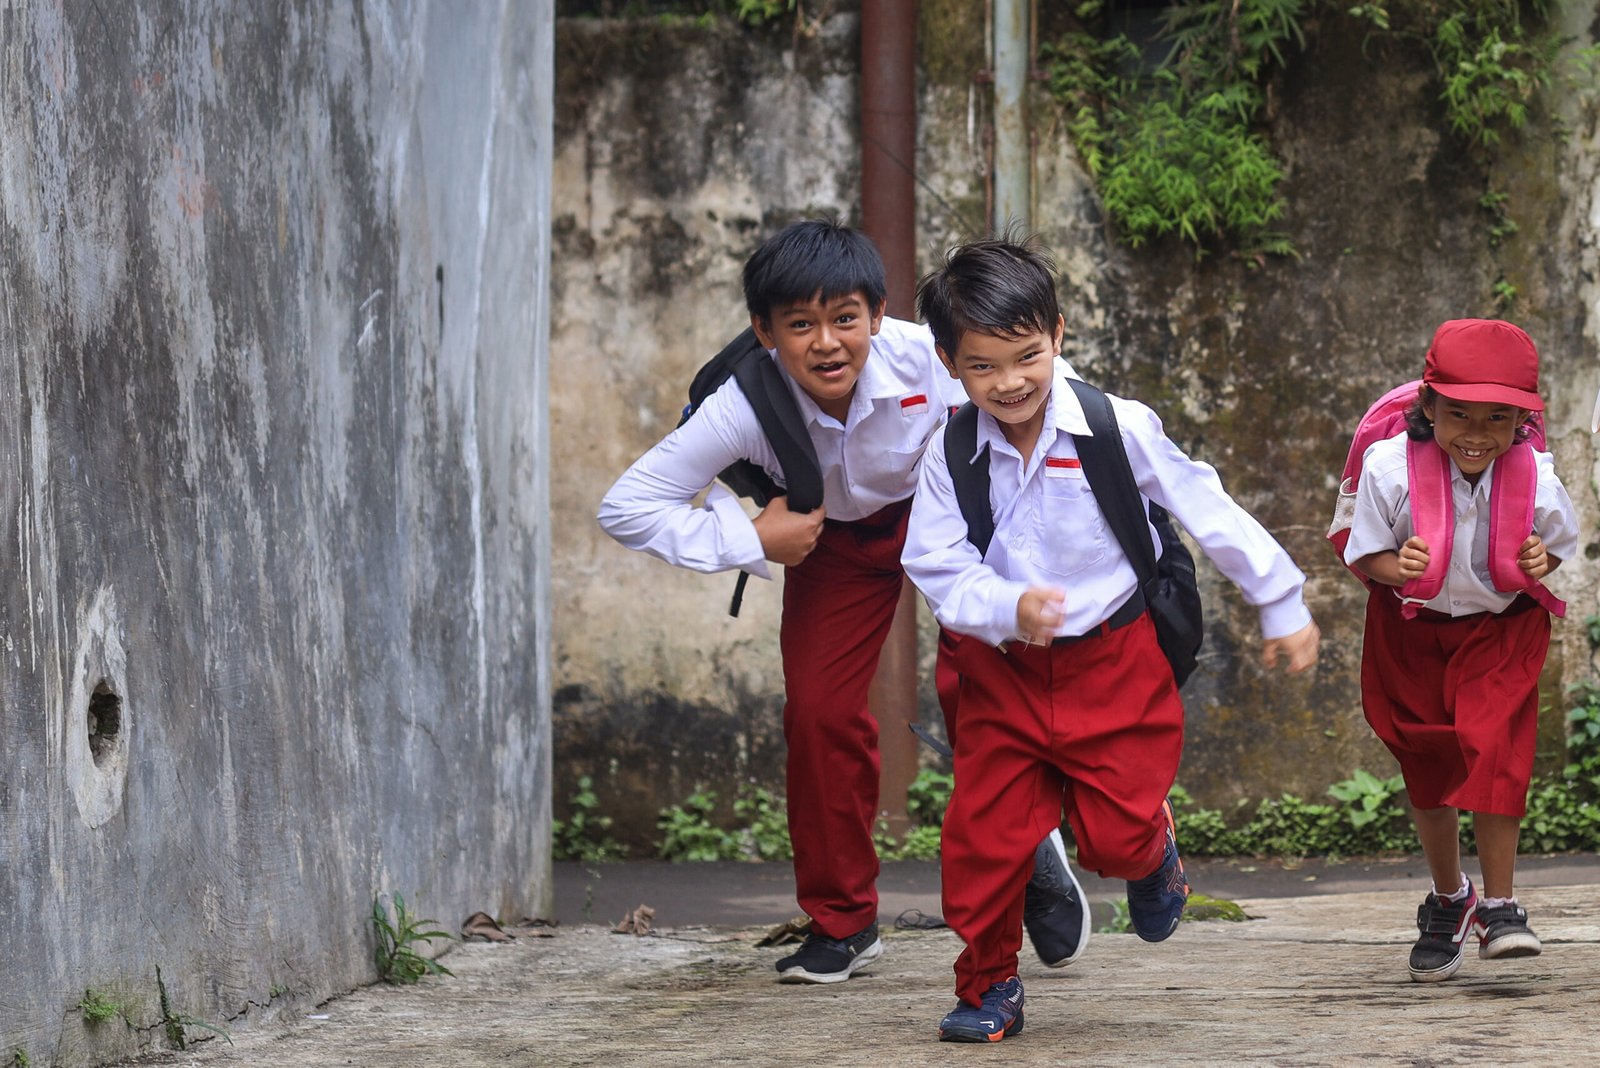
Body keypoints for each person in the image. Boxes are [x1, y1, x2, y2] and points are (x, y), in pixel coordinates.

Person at [598, 219, 1090, 984]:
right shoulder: (741, 405)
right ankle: (843, 922)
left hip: (951, 523)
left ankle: (1027, 846)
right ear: (765, 331)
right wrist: (749, 535)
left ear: (878, 312)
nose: (827, 342)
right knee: (820, 715)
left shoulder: (930, 352)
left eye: (844, 319)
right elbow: (627, 505)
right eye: (800, 324)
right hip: (833, 544)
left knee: (983, 695)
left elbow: (1034, 389)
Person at [902, 235, 1320, 1042]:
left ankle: (1153, 846)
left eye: (1026, 355)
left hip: (1114, 664)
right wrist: (1004, 605)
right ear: (952, 364)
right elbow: (934, 560)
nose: (1010, 381)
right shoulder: (949, 451)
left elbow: (1207, 507)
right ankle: (988, 984)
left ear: (1058, 333)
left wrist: (1281, 601)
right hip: (1003, 672)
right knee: (983, 844)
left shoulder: (1112, 425)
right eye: (982, 365)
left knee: (1116, 839)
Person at [1342, 319, 1579, 982]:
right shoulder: (1389, 469)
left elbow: (1557, 543)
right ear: (1427, 406)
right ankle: (1451, 900)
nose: (1476, 434)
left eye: (1497, 419)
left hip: (1500, 629)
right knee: (1430, 766)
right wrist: (1398, 565)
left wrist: (1541, 556)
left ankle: (1502, 906)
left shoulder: (1533, 471)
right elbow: (1365, 555)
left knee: (1496, 751)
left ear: (1521, 423)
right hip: (1412, 632)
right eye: (1458, 414)